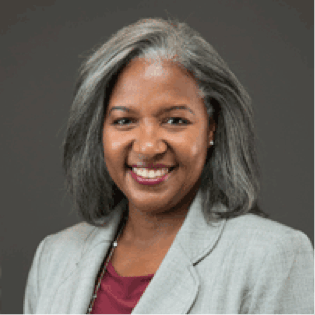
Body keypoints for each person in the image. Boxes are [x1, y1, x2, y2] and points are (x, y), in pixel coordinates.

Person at [24, 17, 315, 315]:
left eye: (175, 120)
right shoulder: (54, 257)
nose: (148, 147)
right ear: (99, 131)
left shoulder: (272, 257)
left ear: (211, 128)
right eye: (124, 121)